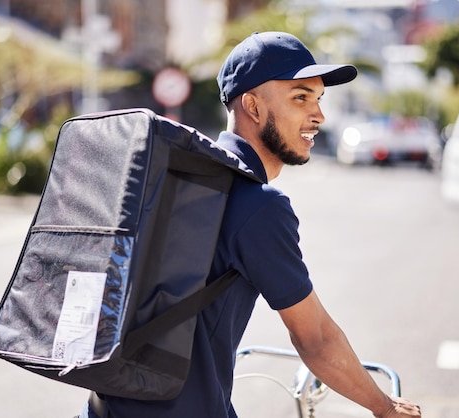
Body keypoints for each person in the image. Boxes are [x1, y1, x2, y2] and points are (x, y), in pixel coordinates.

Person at [79, 31, 421, 418]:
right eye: (300, 97)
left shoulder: (175, 181)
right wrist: (385, 407)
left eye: (318, 99)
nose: (319, 115)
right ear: (253, 106)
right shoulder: (258, 206)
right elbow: (317, 340)